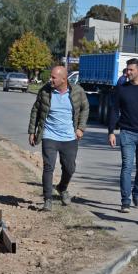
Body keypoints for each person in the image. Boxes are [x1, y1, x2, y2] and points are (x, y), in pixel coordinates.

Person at [28, 66, 89, 211]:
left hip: (69, 137)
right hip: (49, 135)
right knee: (48, 167)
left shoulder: (77, 92)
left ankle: (62, 187)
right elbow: (35, 110)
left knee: (70, 168)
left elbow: (85, 108)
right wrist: (32, 131)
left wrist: (81, 128)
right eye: (51, 76)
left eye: (54, 77)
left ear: (64, 79)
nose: (51, 79)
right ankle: (47, 199)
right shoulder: (45, 91)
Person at [108, 58, 138, 213]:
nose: (128, 72)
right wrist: (111, 132)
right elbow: (114, 110)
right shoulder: (122, 88)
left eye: (131, 70)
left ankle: (137, 194)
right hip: (127, 133)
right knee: (127, 166)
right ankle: (125, 201)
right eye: (127, 70)